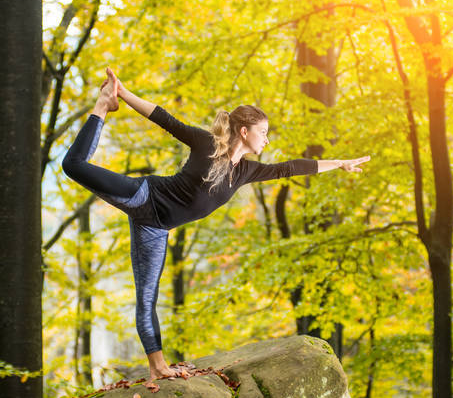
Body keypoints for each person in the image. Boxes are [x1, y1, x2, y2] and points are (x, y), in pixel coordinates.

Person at [62, 68, 369, 379]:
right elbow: (164, 119)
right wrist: (122, 95)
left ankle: (158, 368)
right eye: (263, 131)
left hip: (155, 230)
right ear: (245, 131)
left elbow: (288, 168)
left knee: (146, 299)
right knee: (73, 165)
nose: (266, 138)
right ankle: (103, 105)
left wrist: (339, 163)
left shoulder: (246, 171)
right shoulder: (206, 143)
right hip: (144, 197)